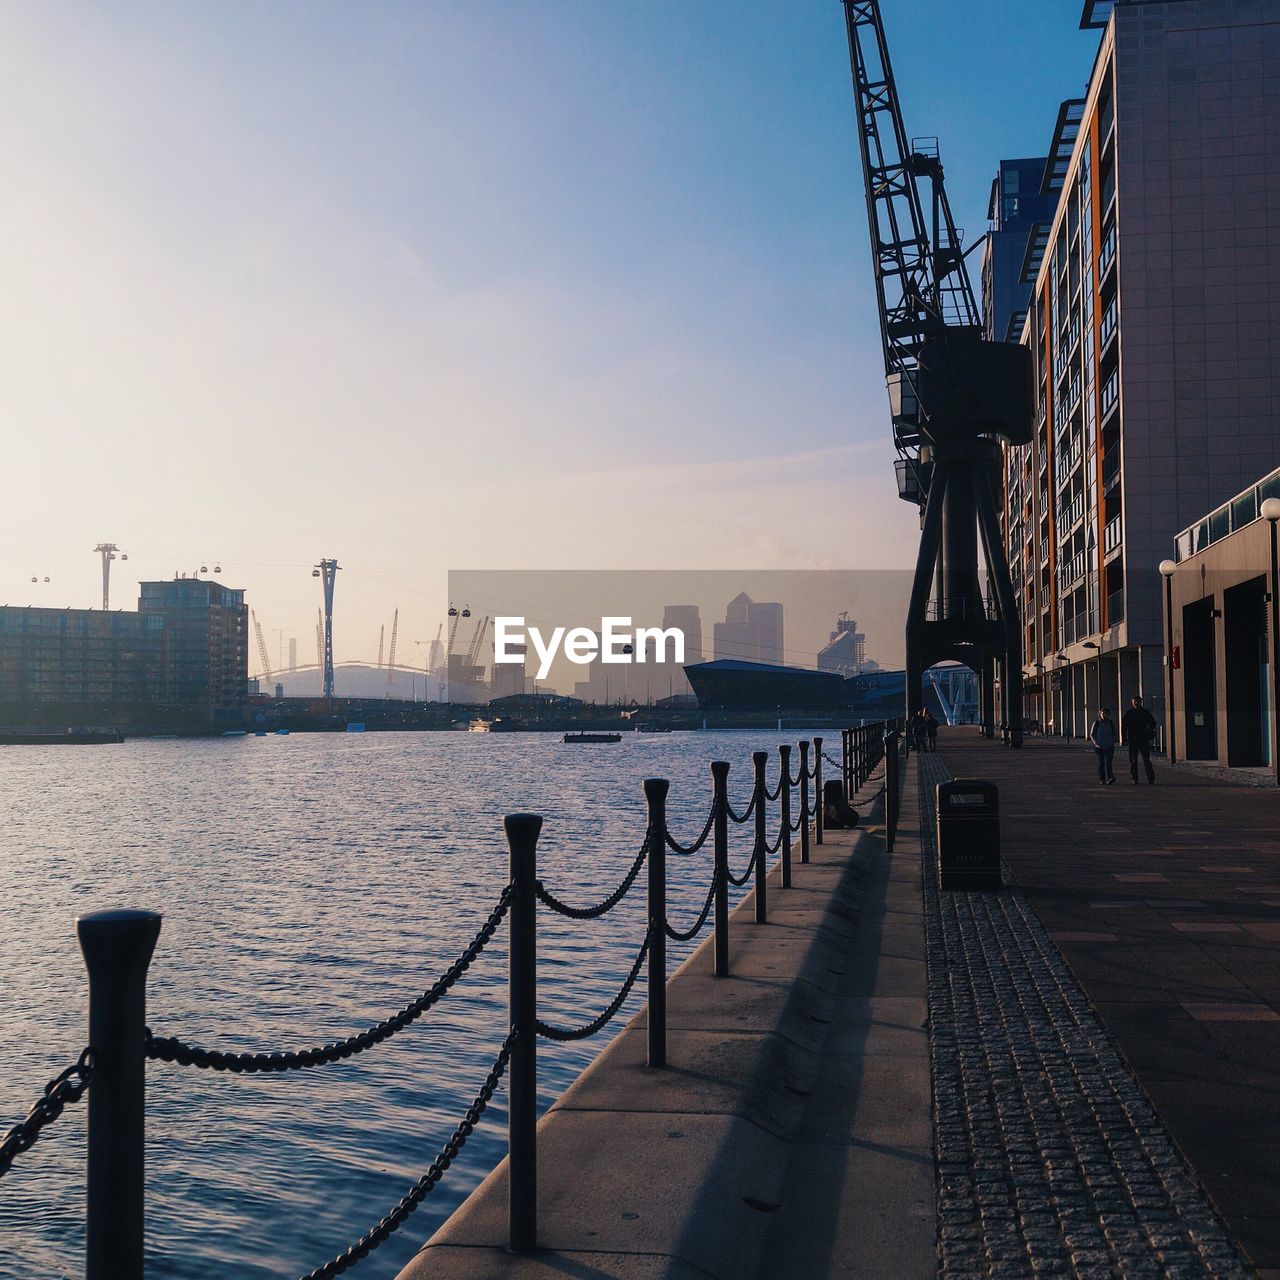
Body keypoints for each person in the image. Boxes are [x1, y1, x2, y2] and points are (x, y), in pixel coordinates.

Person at [1121, 695, 1158, 784]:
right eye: (1135, 702)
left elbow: (1153, 723)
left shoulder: (1145, 712)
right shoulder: (1129, 713)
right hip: (1133, 739)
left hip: (1143, 738)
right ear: (1132, 703)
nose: (1136, 703)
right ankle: (1135, 777)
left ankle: (1150, 777)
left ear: (1141, 702)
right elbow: (1124, 726)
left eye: (1138, 701)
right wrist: (1124, 738)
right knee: (1134, 760)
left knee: (1146, 759)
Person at [1089, 707, 1118, 784]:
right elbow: (1092, 734)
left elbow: (1114, 734)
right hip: (1100, 746)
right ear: (1100, 714)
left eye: (1106, 714)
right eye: (1103, 713)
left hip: (1109, 746)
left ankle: (1110, 777)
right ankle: (1102, 779)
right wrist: (1096, 743)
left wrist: (1113, 741)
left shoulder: (1111, 723)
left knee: (1109, 763)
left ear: (1109, 715)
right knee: (1101, 763)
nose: (1105, 715)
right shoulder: (1097, 723)